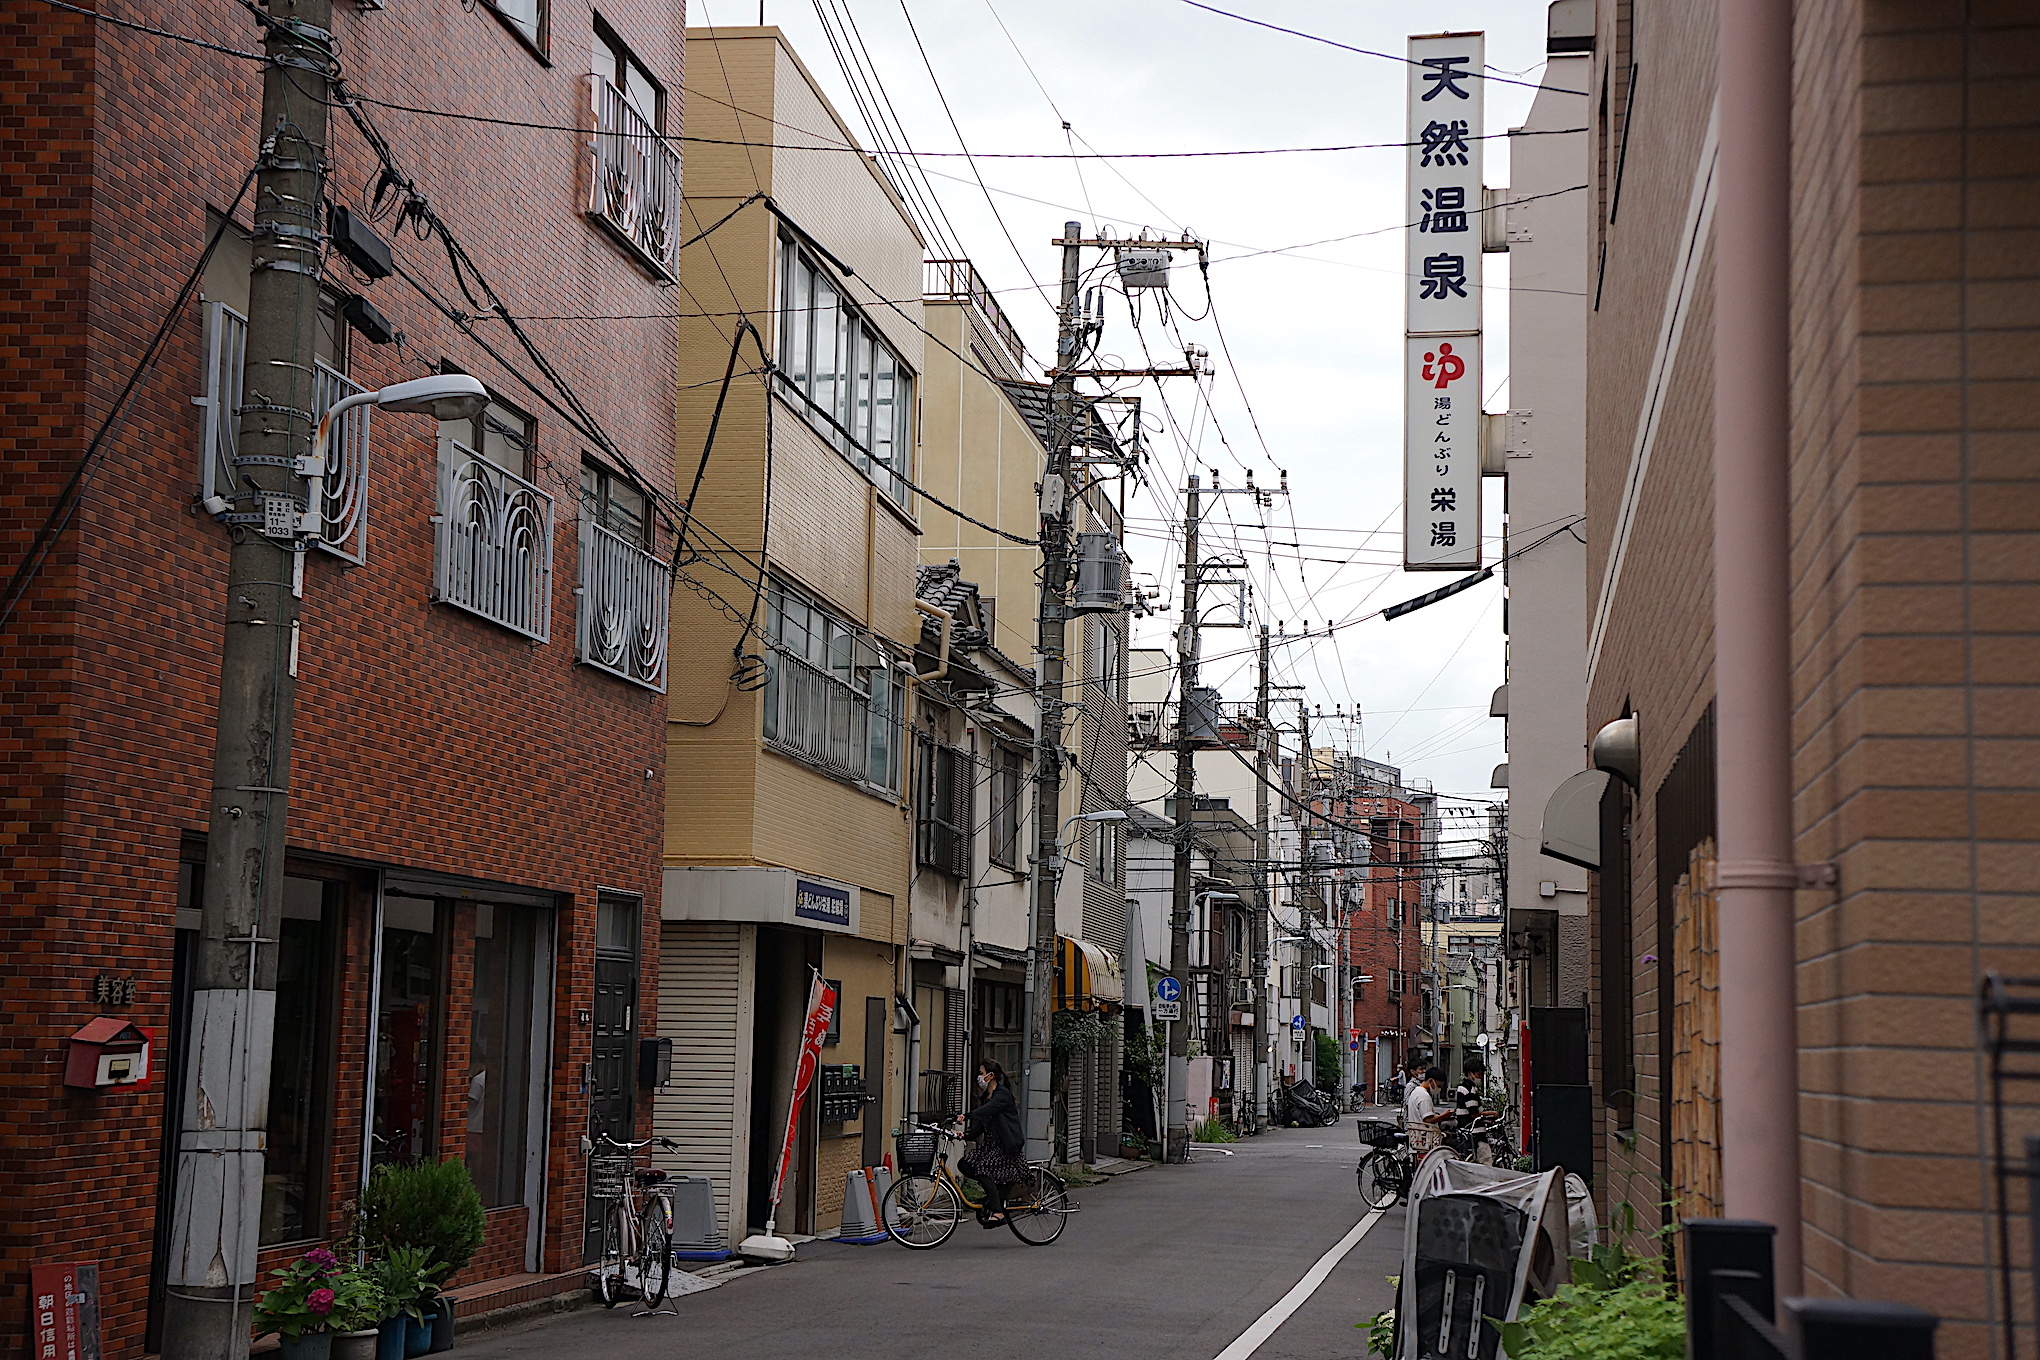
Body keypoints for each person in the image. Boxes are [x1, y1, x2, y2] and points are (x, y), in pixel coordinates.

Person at [955, 1060, 1027, 1227]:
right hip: (989, 1147)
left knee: (982, 1169)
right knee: (965, 1164)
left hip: (1005, 1147)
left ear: (991, 1076)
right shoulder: (986, 1098)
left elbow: (987, 1111)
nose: (979, 1077)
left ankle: (998, 1212)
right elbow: (980, 1125)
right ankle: (992, 1196)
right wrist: (964, 1135)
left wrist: (966, 1115)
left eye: (981, 1073)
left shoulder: (1002, 1095)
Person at [1404, 1066, 1448, 1155]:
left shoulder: (1417, 1091)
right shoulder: (1424, 1096)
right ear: (1431, 1081)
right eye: (1439, 1086)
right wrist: (1444, 1115)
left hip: (1417, 1140)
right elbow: (1428, 1119)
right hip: (1424, 1141)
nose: (1439, 1089)